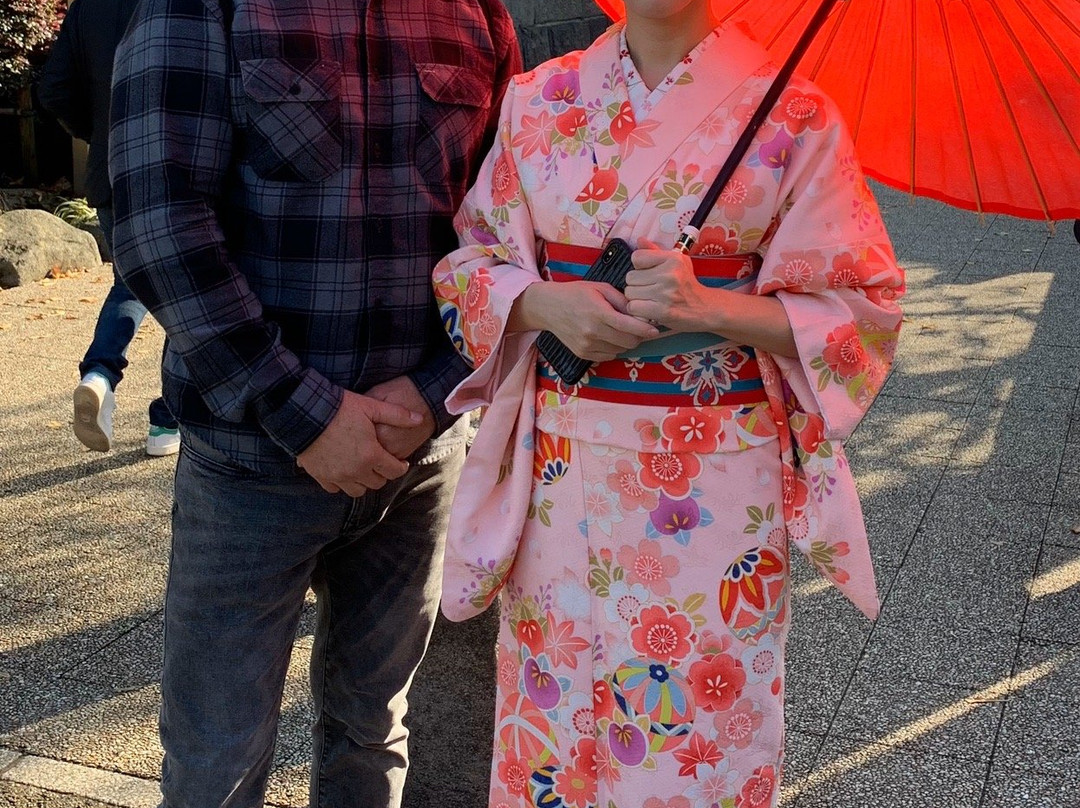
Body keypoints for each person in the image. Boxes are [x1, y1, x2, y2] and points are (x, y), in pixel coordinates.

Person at [433, 1, 905, 806]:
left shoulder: (795, 111)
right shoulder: (540, 98)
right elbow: (469, 263)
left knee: (701, 731)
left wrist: (711, 308)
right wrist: (548, 304)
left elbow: (863, 310)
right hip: (563, 464)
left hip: (714, 484)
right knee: (554, 719)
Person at [107, 0, 520, 804]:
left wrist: (439, 391)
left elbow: (507, 229)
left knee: (374, 731)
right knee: (214, 761)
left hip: (420, 461)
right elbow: (158, 223)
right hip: (251, 463)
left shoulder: (473, 11)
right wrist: (307, 413)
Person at [37, 0, 181, 457]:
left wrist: (104, 132)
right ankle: (166, 422)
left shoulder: (89, 5)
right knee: (189, 291)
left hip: (112, 169)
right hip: (183, 167)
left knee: (131, 283)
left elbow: (55, 88)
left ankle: (99, 374)